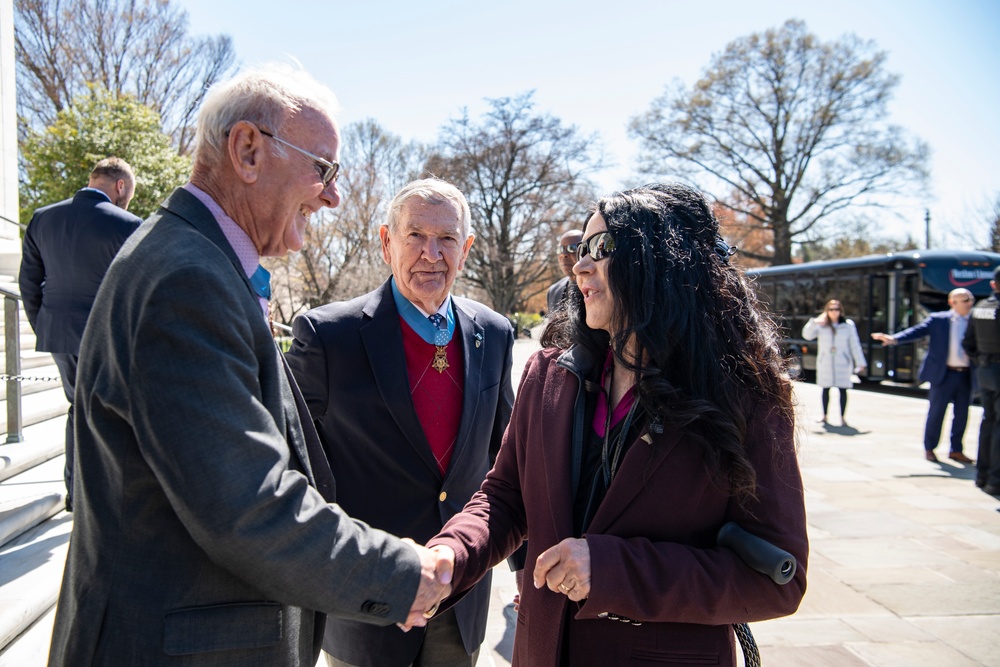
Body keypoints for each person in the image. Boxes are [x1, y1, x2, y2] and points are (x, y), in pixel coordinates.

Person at [48, 64, 452, 666]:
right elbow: (249, 505)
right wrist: (401, 575)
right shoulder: (186, 279)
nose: (334, 195)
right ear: (247, 151)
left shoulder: (193, 262)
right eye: (325, 169)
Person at [427, 183, 808, 666]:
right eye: (581, 249)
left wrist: (611, 570)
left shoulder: (747, 397)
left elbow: (779, 579)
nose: (580, 265)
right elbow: (504, 498)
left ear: (662, 263)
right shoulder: (548, 373)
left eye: (603, 249)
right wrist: (449, 556)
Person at [286, 178, 515, 667]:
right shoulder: (328, 336)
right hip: (366, 605)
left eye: (447, 238)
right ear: (387, 241)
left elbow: (505, 460)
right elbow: (296, 468)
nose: (431, 253)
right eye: (415, 236)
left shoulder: (493, 334)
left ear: (466, 248)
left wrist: (525, 565)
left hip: (461, 599)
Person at [18, 157, 142, 510]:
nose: (128, 201)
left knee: (80, 408)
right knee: (110, 414)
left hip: (59, 334)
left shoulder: (43, 217)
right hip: (107, 337)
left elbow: (29, 283)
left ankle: (78, 494)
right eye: (129, 194)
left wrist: (45, 324)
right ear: (121, 186)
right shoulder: (129, 225)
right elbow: (138, 288)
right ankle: (103, 497)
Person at [872, 289, 975, 463]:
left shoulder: (975, 321)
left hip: (965, 374)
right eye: (965, 300)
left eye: (971, 299)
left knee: (962, 414)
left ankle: (956, 450)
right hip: (944, 374)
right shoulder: (939, 320)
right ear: (952, 302)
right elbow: (916, 331)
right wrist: (893, 339)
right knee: (936, 413)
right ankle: (930, 448)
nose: (969, 303)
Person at [963, 268, 1000, 496]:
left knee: (988, 422)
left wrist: (982, 361)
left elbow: (968, 343)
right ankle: (995, 480)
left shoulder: (980, 308)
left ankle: (982, 475)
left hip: (985, 372)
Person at [802, 299, 867, 426]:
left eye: (836, 309)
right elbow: (807, 335)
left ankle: (842, 418)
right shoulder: (821, 324)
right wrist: (814, 322)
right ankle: (824, 416)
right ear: (827, 311)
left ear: (840, 311)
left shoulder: (848, 325)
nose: (834, 312)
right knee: (825, 389)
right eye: (831, 309)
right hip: (825, 362)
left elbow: (855, 345)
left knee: (843, 390)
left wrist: (860, 362)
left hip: (842, 362)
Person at [545, 228, 584, 315]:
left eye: (572, 248)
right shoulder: (553, 292)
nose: (564, 254)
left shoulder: (597, 287)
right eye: (561, 249)